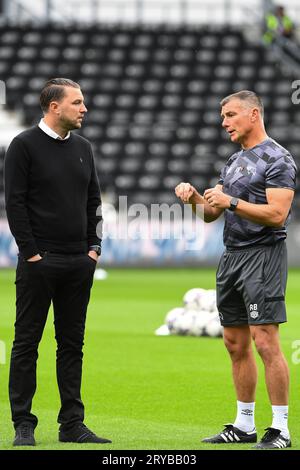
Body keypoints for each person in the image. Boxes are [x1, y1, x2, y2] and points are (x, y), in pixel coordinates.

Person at [175, 90, 296, 449]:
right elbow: (212, 214)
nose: (224, 122)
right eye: (222, 116)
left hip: (263, 256)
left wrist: (232, 201)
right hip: (232, 257)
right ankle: (244, 425)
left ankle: (281, 429)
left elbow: (277, 215)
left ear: (253, 114)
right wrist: (196, 198)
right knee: (234, 342)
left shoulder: (278, 158)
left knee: (265, 341)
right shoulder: (234, 161)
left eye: (230, 115)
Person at [4, 78, 111, 446]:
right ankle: (23, 424)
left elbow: (93, 202)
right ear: (54, 107)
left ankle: (72, 424)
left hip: (79, 263)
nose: (84, 109)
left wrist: (93, 248)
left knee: (71, 345)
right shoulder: (23, 146)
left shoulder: (83, 148)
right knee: (26, 343)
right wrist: (31, 253)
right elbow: (14, 203)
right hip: (40, 262)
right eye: (77, 102)